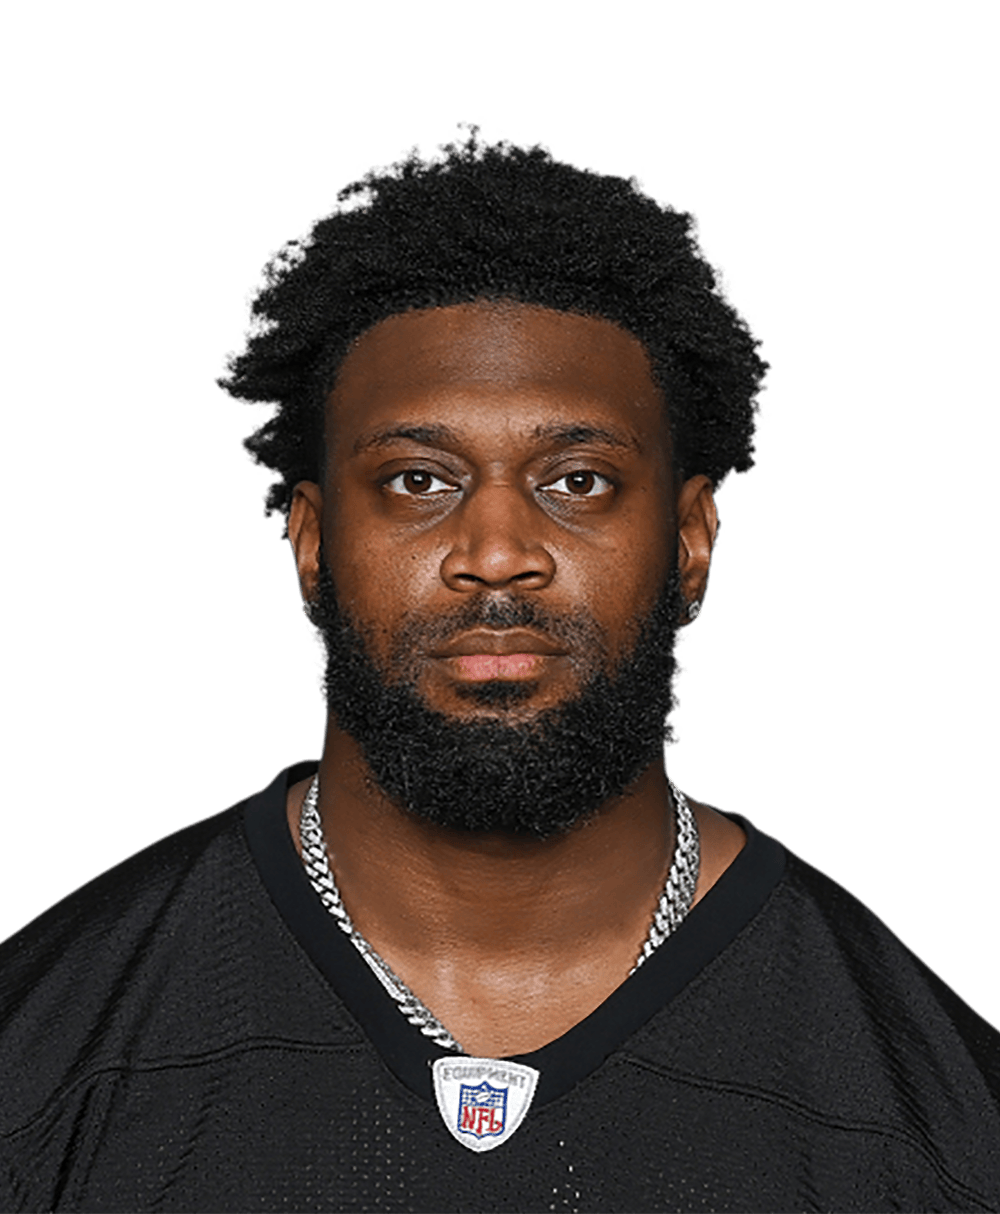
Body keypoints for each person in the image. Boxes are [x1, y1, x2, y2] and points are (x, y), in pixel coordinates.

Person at [2, 119, 998, 1211]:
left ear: (692, 536)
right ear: (310, 537)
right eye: (418, 480)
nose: (494, 555)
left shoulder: (934, 1116)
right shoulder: (49, 1059)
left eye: (576, 480)